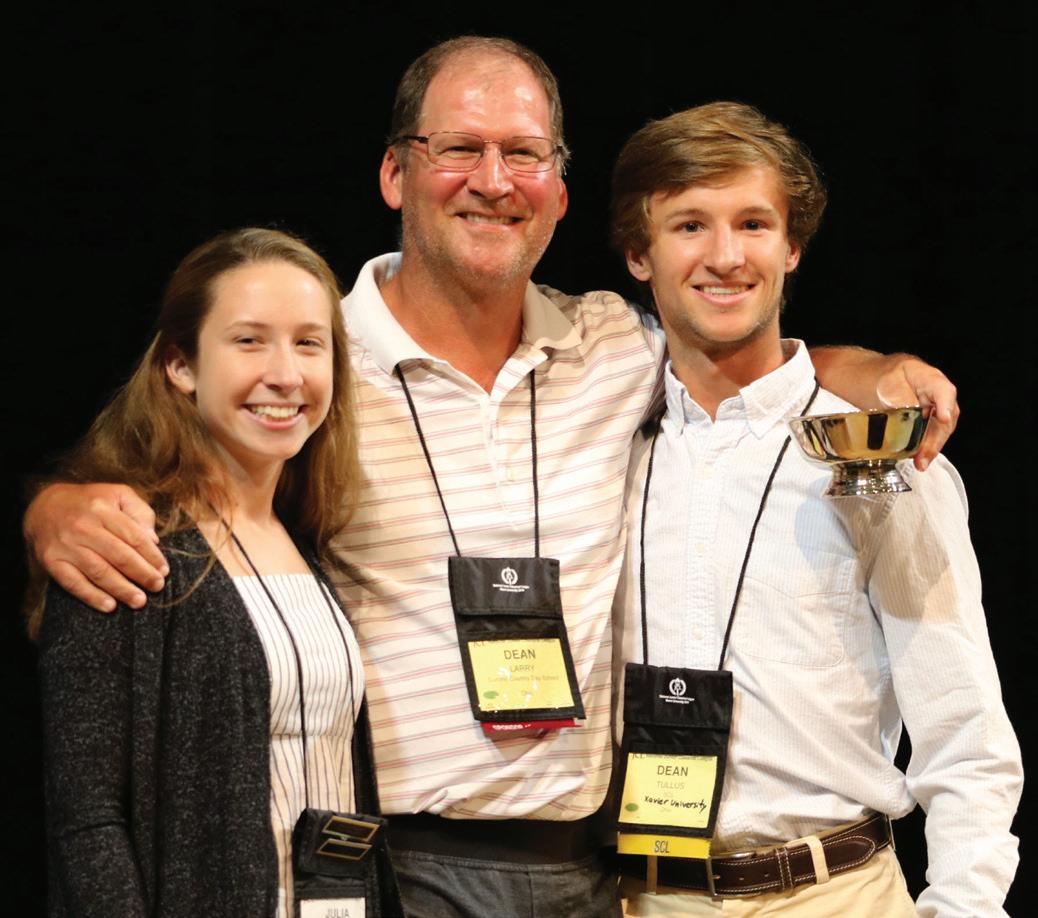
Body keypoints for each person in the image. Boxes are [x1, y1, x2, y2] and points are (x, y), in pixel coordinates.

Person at [25, 38, 962, 918]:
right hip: (393, 866)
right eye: (458, 148)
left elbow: (742, 352)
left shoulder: (612, 345)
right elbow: (167, 467)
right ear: (395, 173)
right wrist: (50, 508)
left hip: (590, 873)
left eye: (523, 153)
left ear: (559, 188)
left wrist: (875, 369)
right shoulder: (315, 360)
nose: (492, 179)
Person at [609, 102, 1021, 917]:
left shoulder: (875, 455)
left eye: (753, 224)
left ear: (792, 247)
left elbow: (965, 730)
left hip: (831, 895)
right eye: (690, 225)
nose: (726, 256)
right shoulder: (600, 443)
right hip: (633, 897)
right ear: (638, 254)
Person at [34, 228, 401, 917]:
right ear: (181, 365)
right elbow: (87, 821)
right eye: (249, 341)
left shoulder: (307, 541)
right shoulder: (125, 547)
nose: (285, 374)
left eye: (309, 343)